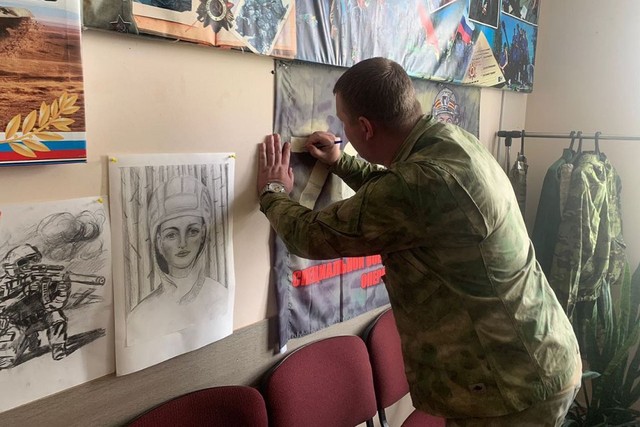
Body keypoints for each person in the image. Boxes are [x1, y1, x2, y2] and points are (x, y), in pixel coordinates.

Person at [257, 57, 581, 426]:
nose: (342, 131)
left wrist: (272, 191)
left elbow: (311, 236)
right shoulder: (449, 141)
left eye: (344, 122)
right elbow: (399, 197)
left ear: (365, 127)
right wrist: (340, 161)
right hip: (535, 356)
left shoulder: (421, 184)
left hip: (511, 386)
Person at [126, 175, 228, 344]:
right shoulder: (139, 317)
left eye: (192, 231)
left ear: (203, 235)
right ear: (158, 241)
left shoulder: (221, 297)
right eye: (171, 234)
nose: (182, 243)